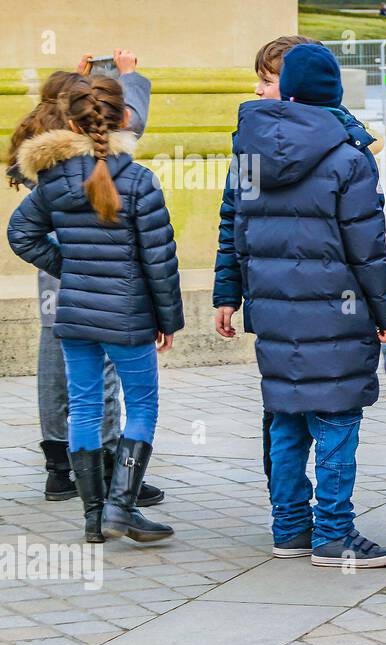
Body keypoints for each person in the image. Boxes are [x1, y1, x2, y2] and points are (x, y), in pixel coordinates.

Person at [229, 42, 386, 567]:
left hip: (275, 311)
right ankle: (333, 534)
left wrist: (232, 294)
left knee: (285, 420)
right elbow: (366, 246)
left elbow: (236, 230)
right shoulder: (350, 158)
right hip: (337, 312)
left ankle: (288, 529)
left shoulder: (248, 151)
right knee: (335, 422)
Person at [8, 75, 183, 544]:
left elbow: (21, 235)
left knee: (84, 407)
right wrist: (169, 320)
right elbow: (159, 259)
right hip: (128, 315)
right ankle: (121, 507)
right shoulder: (141, 180)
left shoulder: (51, 180)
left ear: (69, 122)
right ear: (125, 119)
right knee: (141, 404)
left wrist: (71, 266)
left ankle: (93, 518)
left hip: (76, 315)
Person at [213, 35, 318, 486]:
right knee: (280, 406)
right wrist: (226, 292)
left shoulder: (343, 142)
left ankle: (301, 510)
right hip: (272, 298)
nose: (257, 90)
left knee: (321, 409)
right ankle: (287, 507)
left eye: (266, 80)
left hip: (325, 301)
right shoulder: (249, 148)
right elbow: (234, 220)